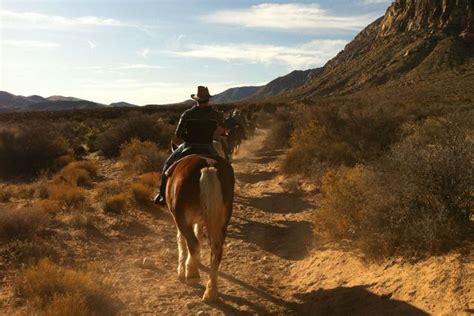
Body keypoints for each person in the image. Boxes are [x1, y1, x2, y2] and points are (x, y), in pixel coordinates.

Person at [154, 86, 224, 205]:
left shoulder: (187, 114)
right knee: (222, 166)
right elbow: (222, 130)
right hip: (208, 146)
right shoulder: (216, 114)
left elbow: (178, 133)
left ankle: (162, 196)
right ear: (208, 100)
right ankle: (223, 196)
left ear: (196, 100)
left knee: (167, 165)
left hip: (188, 146)